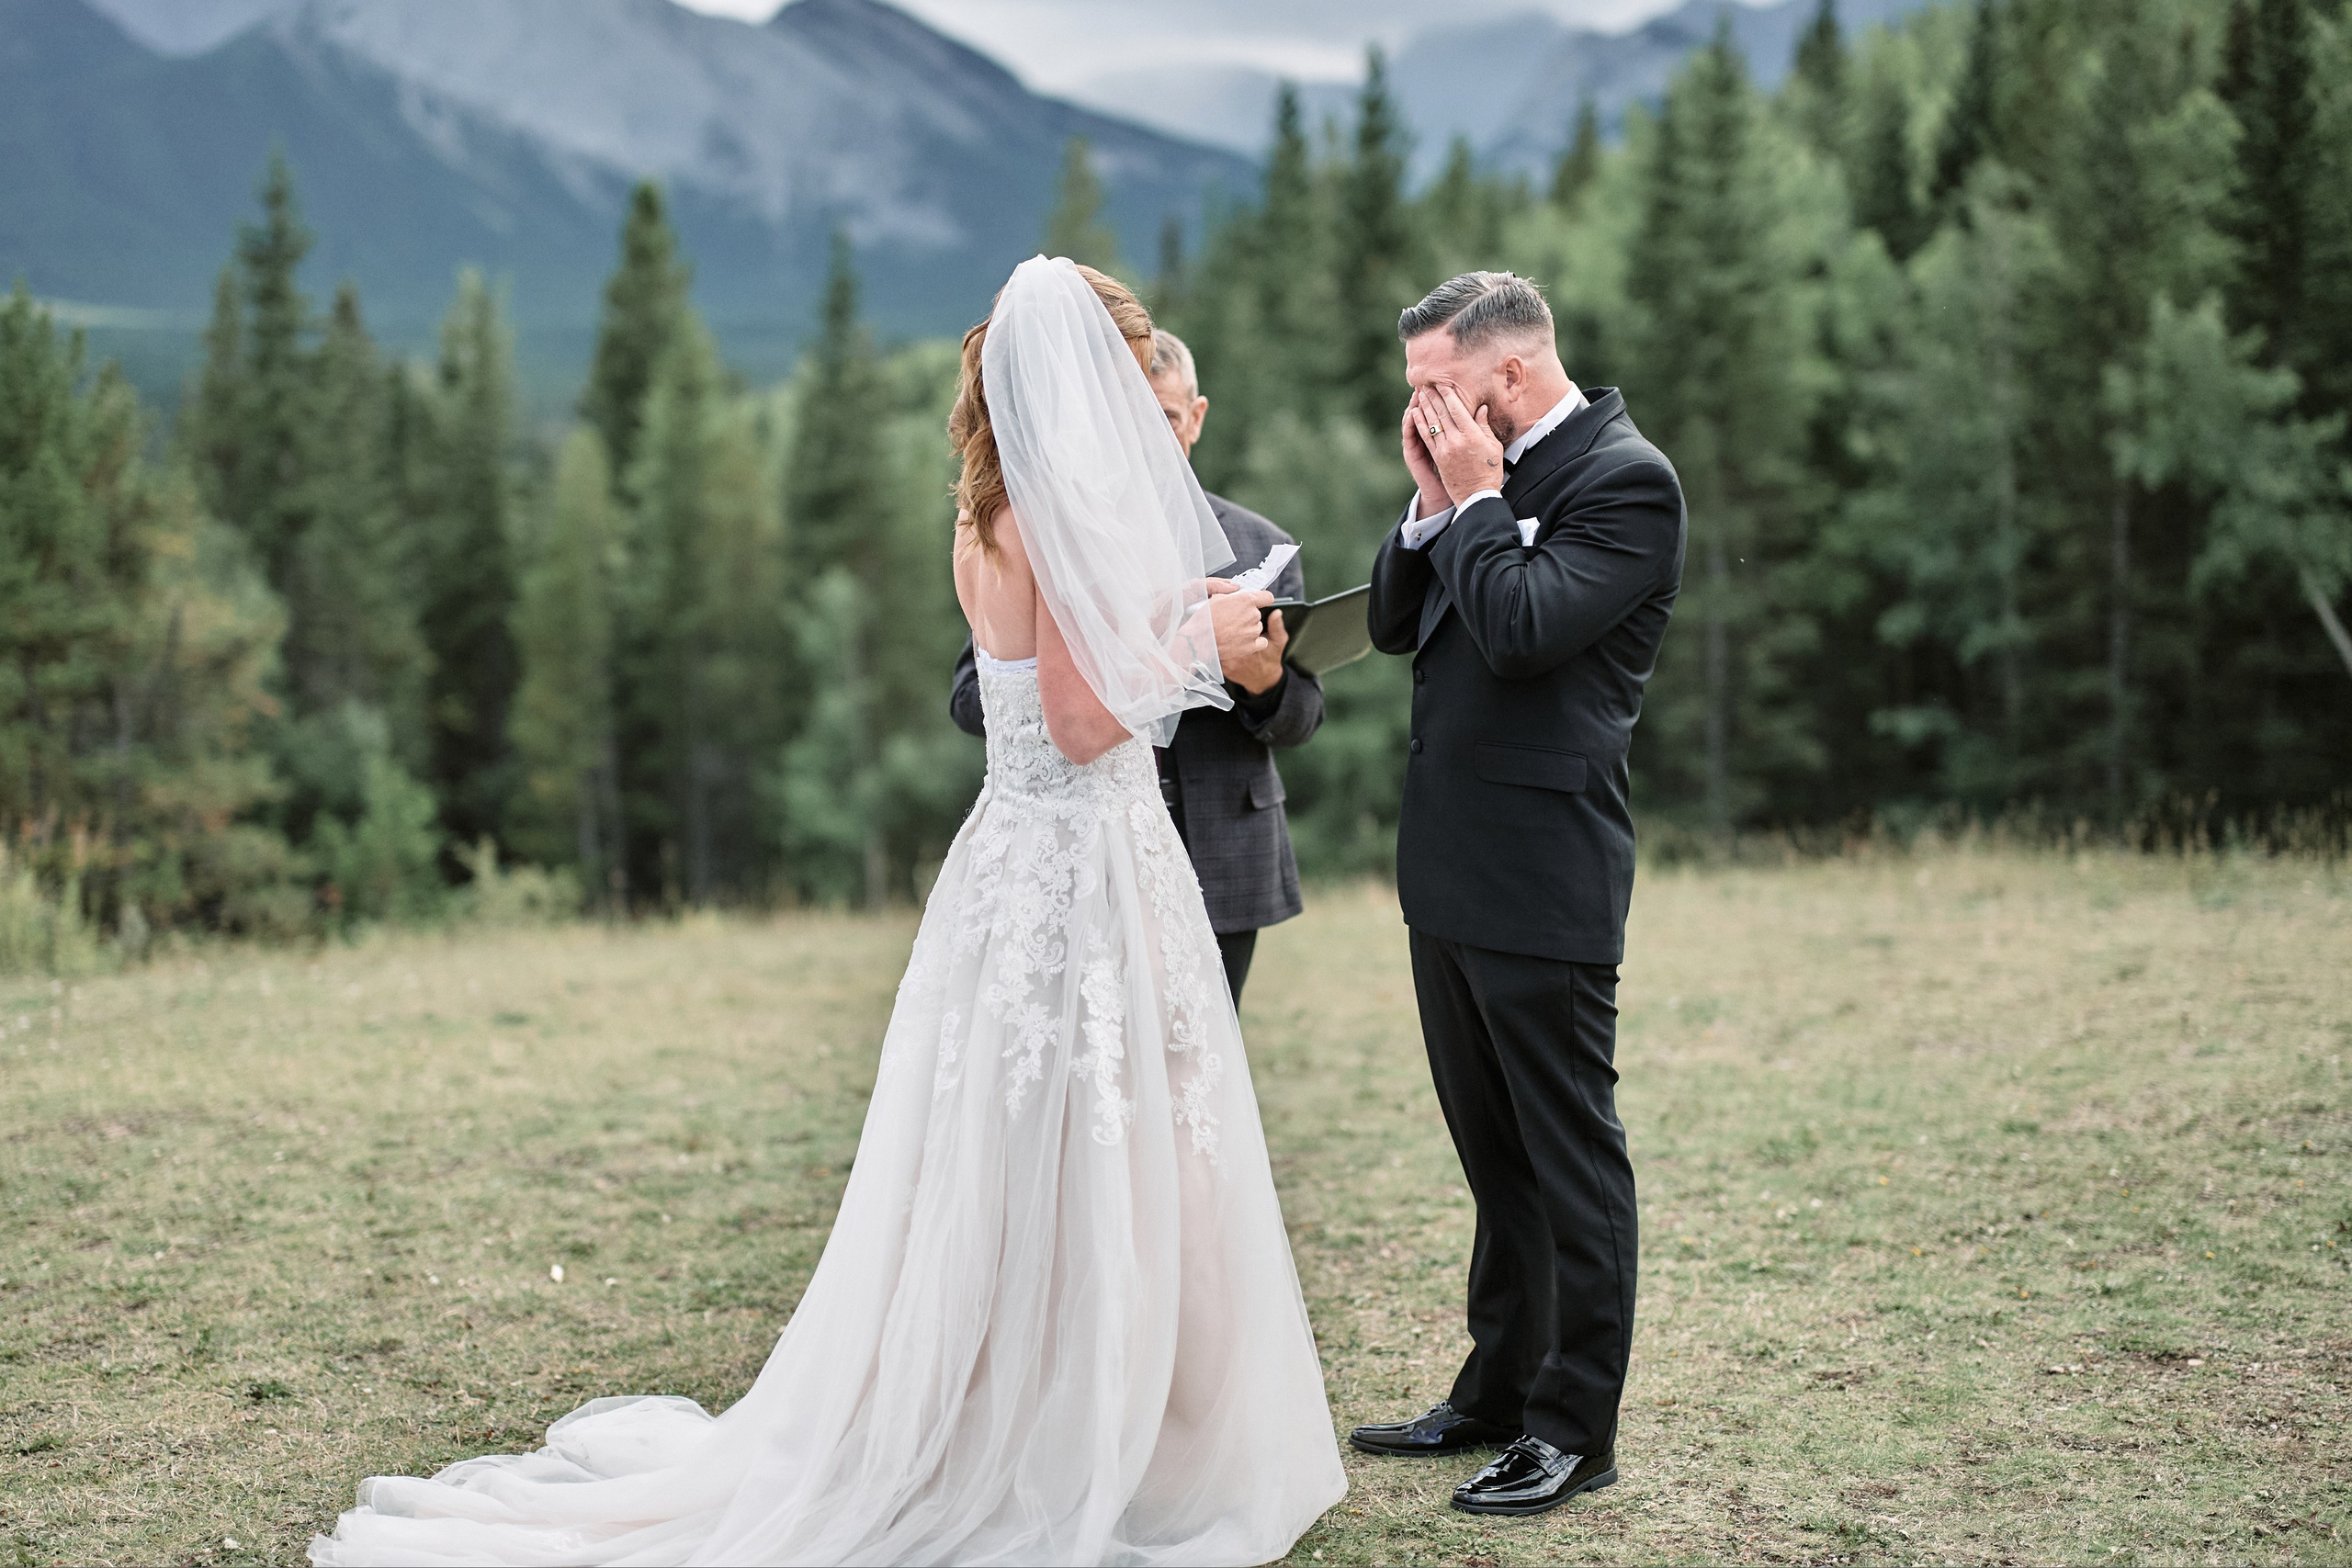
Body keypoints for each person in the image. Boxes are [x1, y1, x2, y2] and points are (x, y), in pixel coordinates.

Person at [311, 258, 1346, 1566]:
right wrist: (1216, 649)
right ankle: (1090, 1438)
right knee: (1102, 1150)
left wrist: (1172, 619)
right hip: (1082, 864)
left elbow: (1044, 676)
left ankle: (1065, 1405)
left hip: (1018, 861)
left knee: (1015, 1154)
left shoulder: (986, 510)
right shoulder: (1052, 515)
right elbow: (1087, 721)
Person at [1348, 272, 1685, 1517]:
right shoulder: (1469, 479)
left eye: (1434, 385)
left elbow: (1525, 628)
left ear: (1500, 375)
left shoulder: (1625, 478)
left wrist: (1479, 496)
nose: (1422, 407)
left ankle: (1573, 1425)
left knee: (1569, 1157)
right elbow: (1395, 622)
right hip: (1447, 864)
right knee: (1496, 1160)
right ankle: (1495, 1388)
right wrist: (1437, 503)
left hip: (1547, 868)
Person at [949, 328, 1322, 1003]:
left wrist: (1258, 679)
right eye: (1130, 412)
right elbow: (983, 687)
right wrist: (1183, 650)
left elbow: (1303, 714)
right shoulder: (1059, 533)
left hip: (1221, 845)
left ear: (1197, 417)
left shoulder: (1257, 542)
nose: (1145, 435)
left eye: (1166, 418)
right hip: (1088, 840)